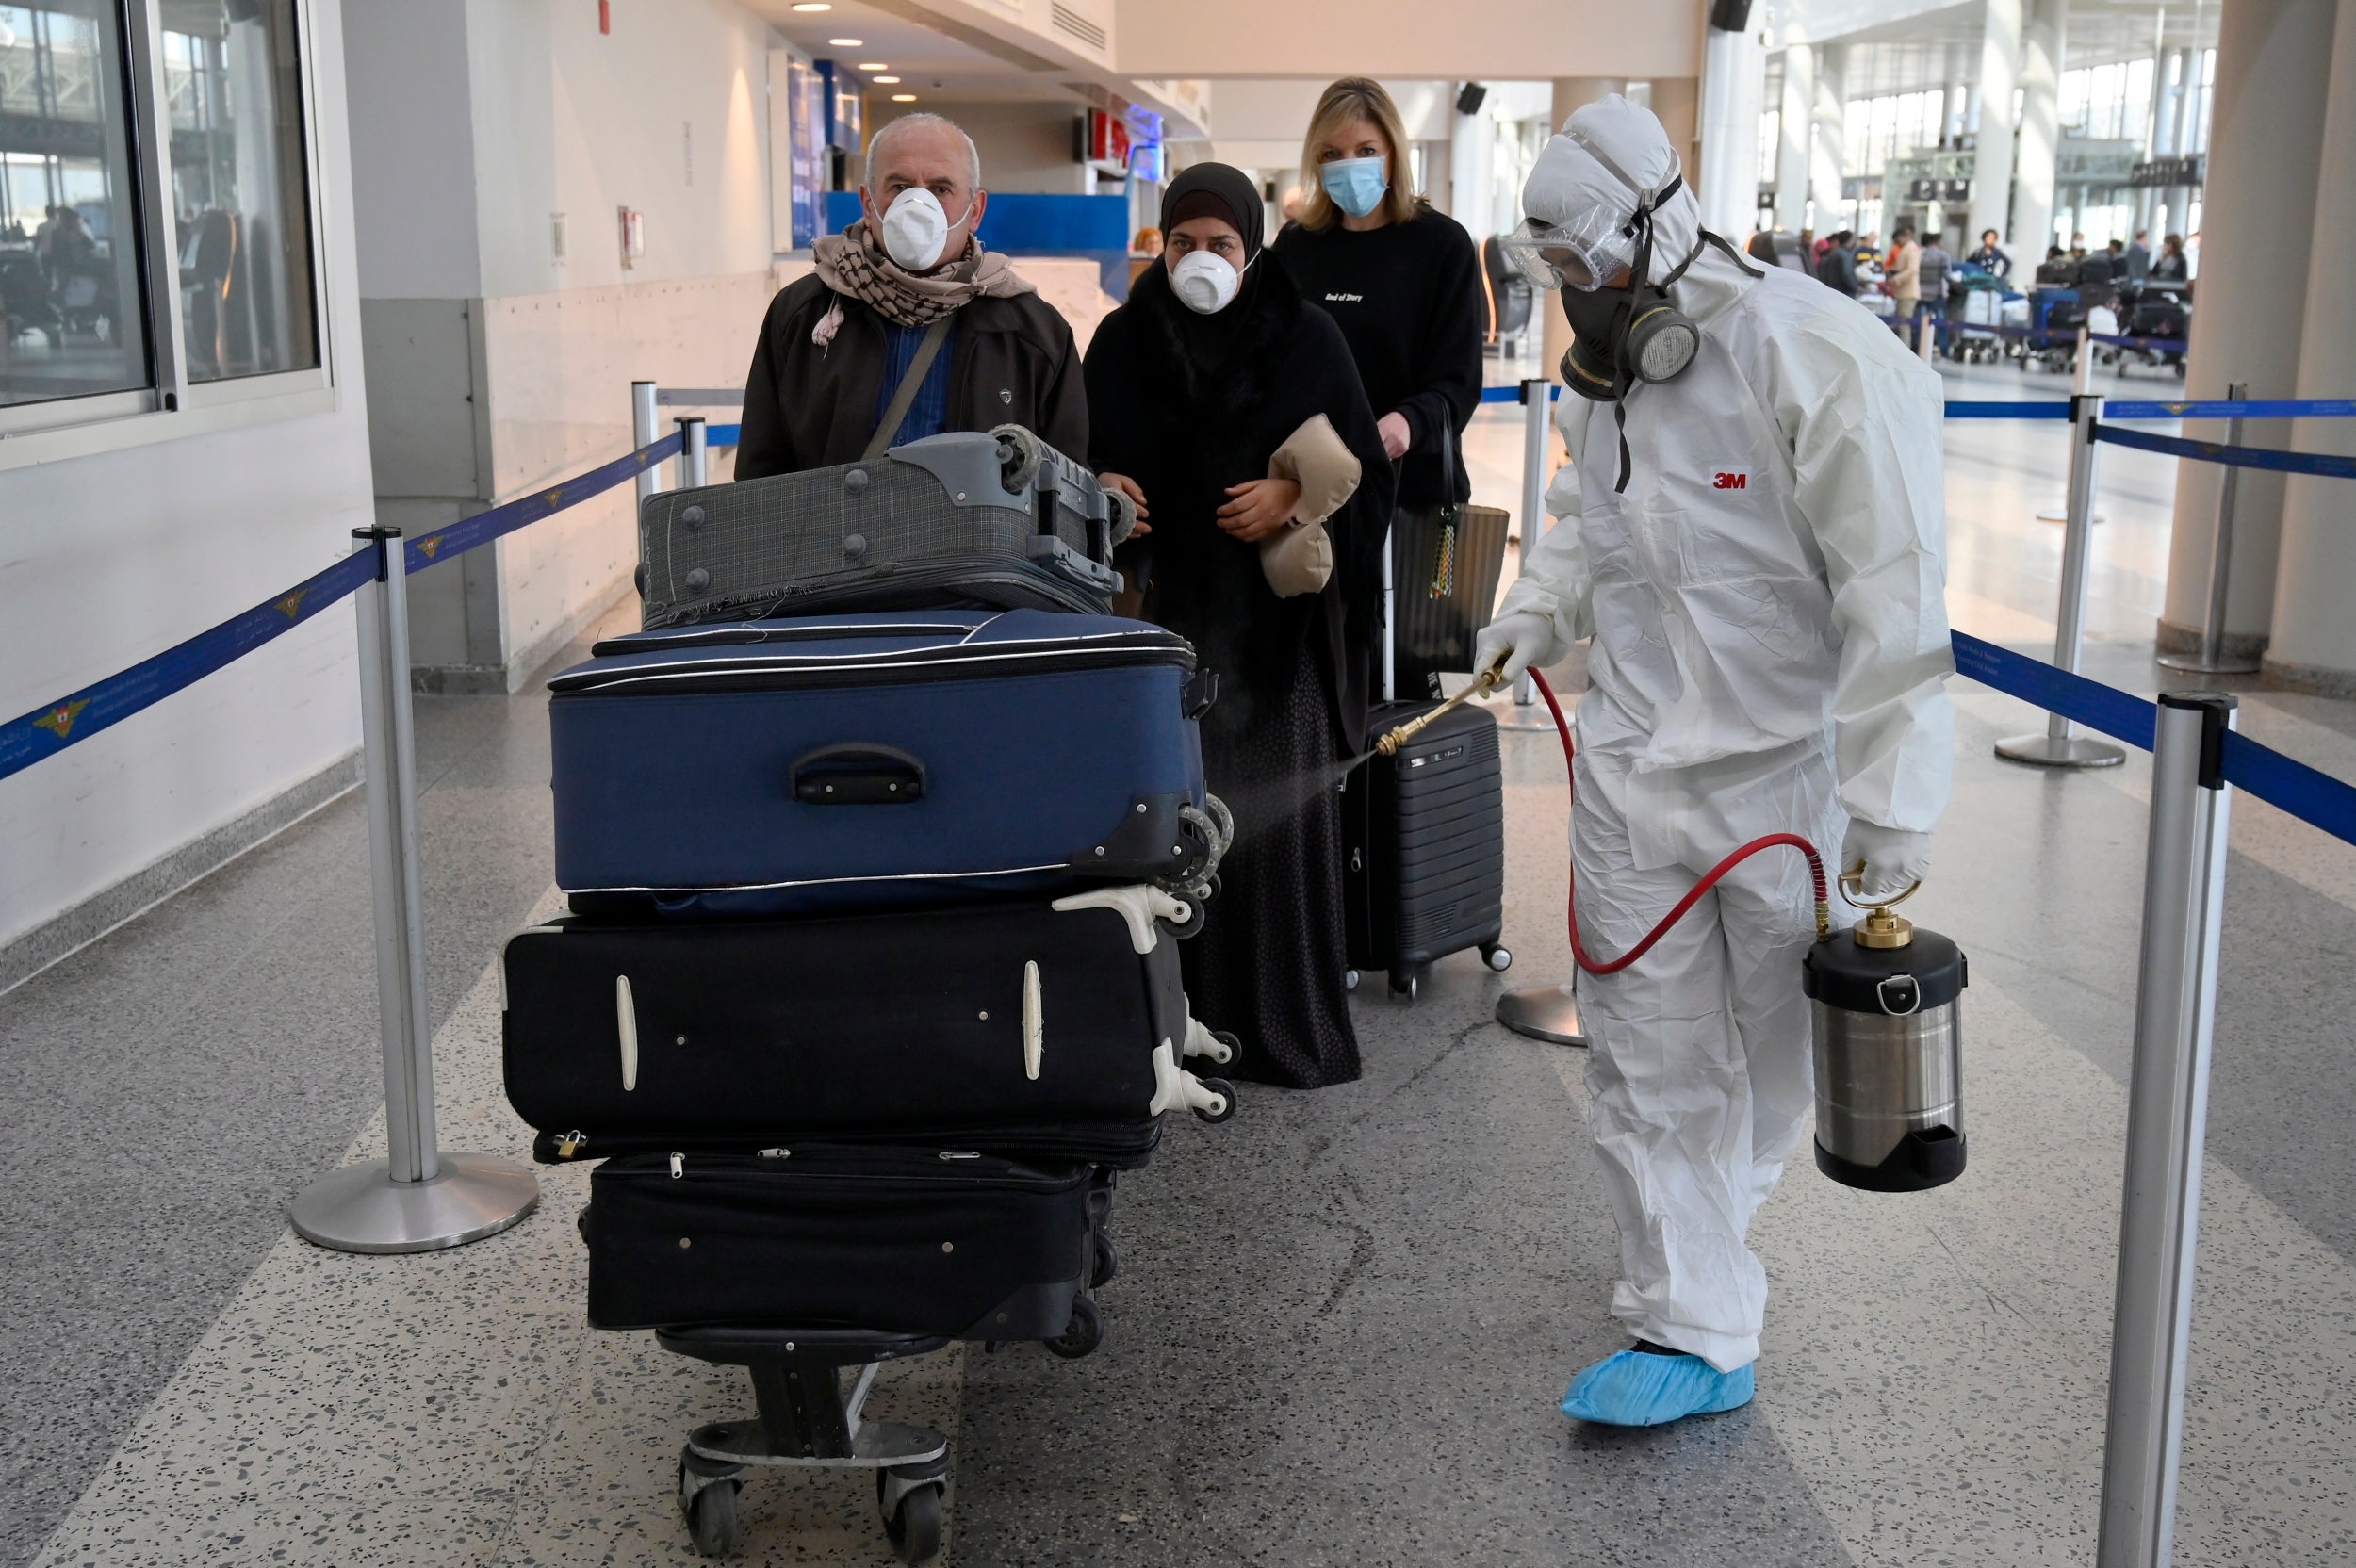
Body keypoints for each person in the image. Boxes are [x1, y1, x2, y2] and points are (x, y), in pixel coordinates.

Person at [1483, 96, 1952, 1428]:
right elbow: (1592, 517)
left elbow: (1894, 590)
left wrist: (1896, 796)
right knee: (1643, 1053)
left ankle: (1705, 1250)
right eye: (1554, 274)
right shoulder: (1616, 374)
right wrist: (1539, 608)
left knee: (1774, 1056)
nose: (1579, 296)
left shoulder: (1816, 355)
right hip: (1634, 772)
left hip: (1778, 787)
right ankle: (1689, 1316)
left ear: (1662, 221)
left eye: (1589, 264)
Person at [1084, 163, 1395, 1090]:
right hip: (1160, 630)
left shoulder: (1307, 338)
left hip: (1279, 638)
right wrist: (1103, 491)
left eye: (1221, 245)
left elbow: (1371, 483)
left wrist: (1296, 496)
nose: (1200, 261)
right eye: (1183, 243)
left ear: (1252, 250)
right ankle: (1174, 1025)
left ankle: (1277, 1029)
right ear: (1162, 246)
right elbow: (1073, 462)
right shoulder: (1123, 340)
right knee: (1168, 830)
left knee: (1273, 834)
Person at [1271, 76, 1483, 698]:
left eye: (1364, 149)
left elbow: (1458, 378)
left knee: (1404, 676)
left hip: (1409, 496)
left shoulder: (1441, 245)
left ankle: (1403, 794)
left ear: (1392, 151)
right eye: (1331, 154)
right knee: (1320, 675)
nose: (1348, 166)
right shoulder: (1297, 248)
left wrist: (1408, 422)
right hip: (1316, 497)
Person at [735, 114, 1085, 478]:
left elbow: (1064, 485)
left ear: (975, 211)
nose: (919, 205)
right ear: (868, 204)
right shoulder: (804, 315)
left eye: (940, 189)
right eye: (900, 187)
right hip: (833, 535)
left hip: (973, 537)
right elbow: (759, 473)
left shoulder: (1033, 333)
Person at [1916, 229, 1952, 350]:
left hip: (1920, 293)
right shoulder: (1943, 255)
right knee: (1941, 324)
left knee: (1920, 324)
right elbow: (1947, 275)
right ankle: (1943, 350)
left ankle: (1919, 348)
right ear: (1936, 242)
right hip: (1937, 293)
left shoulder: (1919, 254)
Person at [1884, 221, 1920, 324]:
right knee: (1900, 322)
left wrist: (1896, 279)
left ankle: (1905, 341)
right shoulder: (1904, 249)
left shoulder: (1912, 249)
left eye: (1898, 240)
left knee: (1904, 323)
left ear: (1904, 237)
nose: (1897, 243)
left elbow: (1913, 269)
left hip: (1908, 292)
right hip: (1902, 291)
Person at [1813, 229, 1857, 295]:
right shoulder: (1845, 255)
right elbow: (1847, 274)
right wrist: (1856, 287)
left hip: (1831, 290)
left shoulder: (1833, 253)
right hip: (1843, 292)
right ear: (1849, 240)